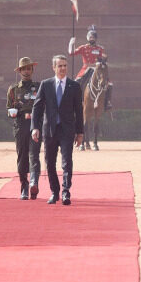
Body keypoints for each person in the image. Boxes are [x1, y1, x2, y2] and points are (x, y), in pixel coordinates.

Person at [31, 55, 84, 205]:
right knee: (49, 163)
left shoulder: (74, 86)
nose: (63, 68)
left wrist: (80, 132)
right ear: (53, 67)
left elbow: (79, 110)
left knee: (67, 162)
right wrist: (35, 127)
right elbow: (37, 107)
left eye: (65, 66)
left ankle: (66, 192)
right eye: (59, 66)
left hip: (67, 130)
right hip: (49, 130)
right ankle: (55, 192)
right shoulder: (46, 84)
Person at [6, 57, 41, 200]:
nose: (26, 71)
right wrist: (11, 112)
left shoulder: (39, 87)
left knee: (34, 154)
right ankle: (24, 187)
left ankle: (34, 182)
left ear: (32, 70)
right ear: (19, 71)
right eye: (24, 69)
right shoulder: (13, 89)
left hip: (35, 125)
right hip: (20, 125)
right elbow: (9, 108)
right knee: (22, 157)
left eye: (29, 68)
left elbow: (43, 105)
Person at [69, 25, 113, 110]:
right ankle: (74, 101)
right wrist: (71, 43)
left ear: (96, 38)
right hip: (86, 68)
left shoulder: (100, 49)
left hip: (97, 68)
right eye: (90, 37)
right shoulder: (83, 47)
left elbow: (103, 59)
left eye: (93, 37)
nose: (91, 39)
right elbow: (71, 53)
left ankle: (107, 102)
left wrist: (104, 59)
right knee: (76, 83)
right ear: (87, 38)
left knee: (109, 84)